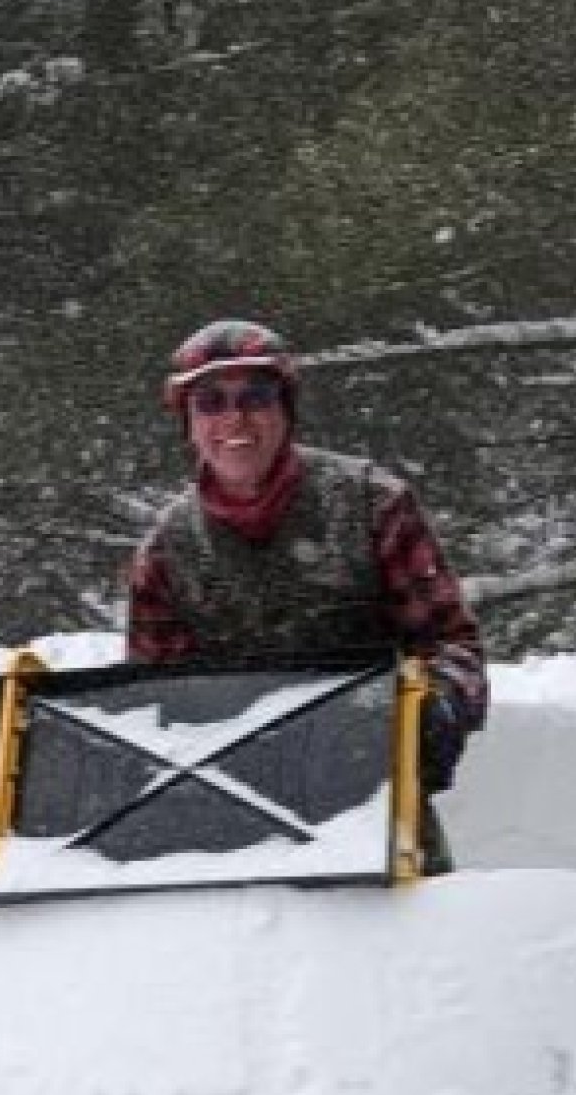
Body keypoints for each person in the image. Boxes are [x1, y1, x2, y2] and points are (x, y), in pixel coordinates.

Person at [126, 317, 487, 866]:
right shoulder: (164, 551)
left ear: (286, 409)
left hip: (379, 819)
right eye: (211, 402)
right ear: (189, 423)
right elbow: (150, 706)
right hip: (230, 834)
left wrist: (435, 708)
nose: (235, 418)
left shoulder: (373, 503)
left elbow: (453, 646)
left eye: (256, 396)